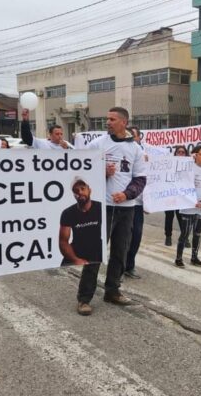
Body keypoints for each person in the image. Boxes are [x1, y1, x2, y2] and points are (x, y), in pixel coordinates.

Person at [76, 107, 146, 316]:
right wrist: (100, 171)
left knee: (120, 251)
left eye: (112, 119)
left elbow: (140, 179)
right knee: (94, 252)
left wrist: (127, 194)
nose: (107, 122)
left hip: (126, 209)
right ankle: (84, 298)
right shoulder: (98, 144)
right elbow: (79, 169)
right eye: (107, 118)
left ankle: (112, 291)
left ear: (124, 122)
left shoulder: (136, 149)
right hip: (101, 207)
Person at [174, 145, 201, 268]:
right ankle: (178, 258)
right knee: (185, 233)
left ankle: (194, 257)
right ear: (195, 155)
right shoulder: (188, 169)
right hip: (188, 206)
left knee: (197, 233)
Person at [59, 178, 103, 268]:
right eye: (76, 190)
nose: (80, 192)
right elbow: (63, 242)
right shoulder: (68, 213)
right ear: (74, 195)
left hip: (97, 253)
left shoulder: (101, 208)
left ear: (89, 190)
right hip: (77, 252)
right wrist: (76, 260)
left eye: (83, 188)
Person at [124, 126, 144, 279]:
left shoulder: (145, 154)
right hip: (124, 203)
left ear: (138, 138)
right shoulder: (122, 152)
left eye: (133, 135)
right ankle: (119, 267)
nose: (130, 137)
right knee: (123, 238)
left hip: (138, 204)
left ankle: (130, 266)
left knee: (136, 236)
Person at [164, 145, 187, 246]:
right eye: (179, 152)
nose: (181, 154)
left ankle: (184, 237)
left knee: (182, 218)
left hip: (182, 196)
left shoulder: (189, 165)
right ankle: (168, 236)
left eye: (183, 152)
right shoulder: (170, 164)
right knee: (169, 217)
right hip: (170, 195)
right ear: (175, 153)